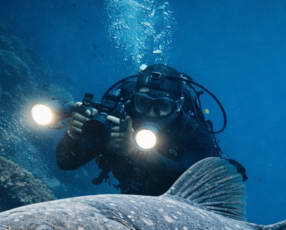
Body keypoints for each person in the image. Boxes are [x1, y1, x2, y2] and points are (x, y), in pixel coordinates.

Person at [56, 64, 243, 196]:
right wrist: (72, 135)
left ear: (177, 105)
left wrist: (136, 152)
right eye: (143, 103)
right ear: (134, 99)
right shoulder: (119, 122)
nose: (151, 114)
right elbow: (65, 163)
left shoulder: (196, 134)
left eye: (163, 106)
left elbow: (187, 185)